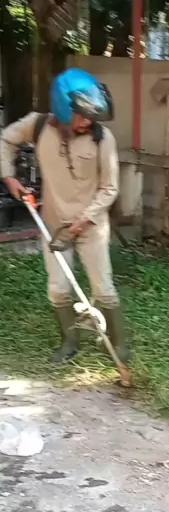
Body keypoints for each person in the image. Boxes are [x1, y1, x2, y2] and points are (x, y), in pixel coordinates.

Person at [0, 67, 129, 364]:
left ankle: (120, 345)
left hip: (91, 226)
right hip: (54, 225)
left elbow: (110, 188)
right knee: (58, 289)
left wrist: (85, 218)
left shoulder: (102, 138)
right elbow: (5, 140)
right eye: (83, 115)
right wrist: (9, 177)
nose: (89, 121)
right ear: (63, 109)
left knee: (104, 289)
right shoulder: (38, 125)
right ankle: (69, 342)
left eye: (93, 115)